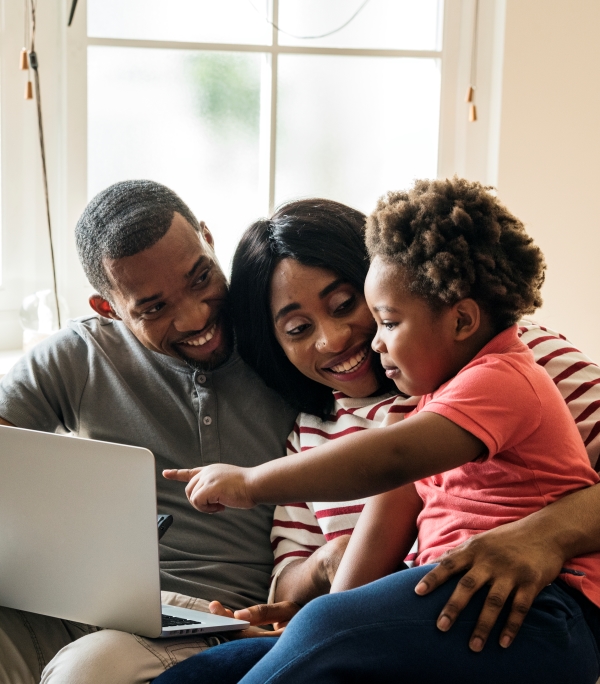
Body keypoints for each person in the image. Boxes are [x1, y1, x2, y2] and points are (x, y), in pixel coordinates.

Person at [160, 180, 600, 683]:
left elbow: (388, 460)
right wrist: (313, 630)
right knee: (204, 672)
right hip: (439, 613)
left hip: (538, 612)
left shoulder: (509, 371)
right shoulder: (411, 412)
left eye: (364, 312)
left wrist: (251, 482)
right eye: (298, 329)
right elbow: (375, 531)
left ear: (461, 319)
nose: (353, 341)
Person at [0, 180, 298, 684]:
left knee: (86, 673)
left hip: (206, 620)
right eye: (154, 307)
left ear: (207, 237)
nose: (196, 316)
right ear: (109, 309)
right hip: (71, 602)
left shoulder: (287, 341)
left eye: (201, 278)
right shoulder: (82, 354)